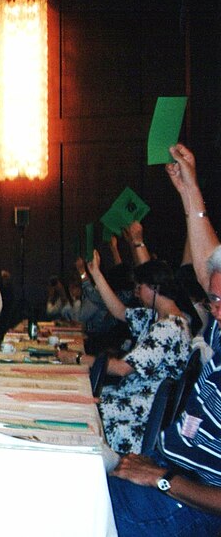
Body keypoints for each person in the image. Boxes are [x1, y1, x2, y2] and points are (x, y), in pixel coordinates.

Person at [104, 144, 221, 536]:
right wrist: (191, 191)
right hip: (166, 463)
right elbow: (210, 270)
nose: (214, 308)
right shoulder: (220, 322)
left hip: (188, 500)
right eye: (214, 299)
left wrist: (162, 478)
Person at [59, 253, 192, 453]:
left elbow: (122, 369)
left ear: (155, 288)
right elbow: (120, 311)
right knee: (76, 397)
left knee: (78, 410)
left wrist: (77, 358)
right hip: (132, 397)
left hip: (140, 410)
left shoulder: (169, 328)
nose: (136, 293)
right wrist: (95, 273)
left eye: (140, 287)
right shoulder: (158, 317)